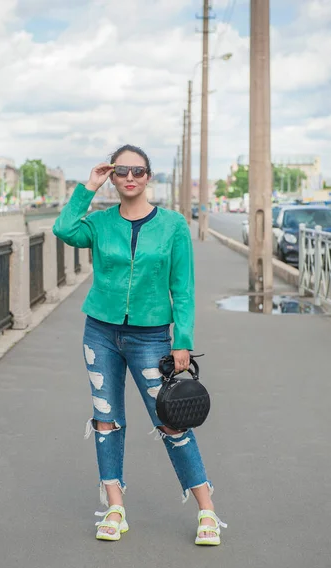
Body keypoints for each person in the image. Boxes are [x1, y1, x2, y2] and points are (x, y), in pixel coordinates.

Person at [53, 144, 226, 545]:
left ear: (149, 176)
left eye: (138, 171)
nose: (130, 178)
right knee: (106, 418)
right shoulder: (99, 224)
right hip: (100, 333)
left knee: (171, 419)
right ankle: (114, 506)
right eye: (121, 171)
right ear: (112, 177)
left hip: (151, 337)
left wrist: (182, 342)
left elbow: (183, 289)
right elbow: (62, 229)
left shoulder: (173, 225)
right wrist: (88, 187)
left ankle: (208, 510)